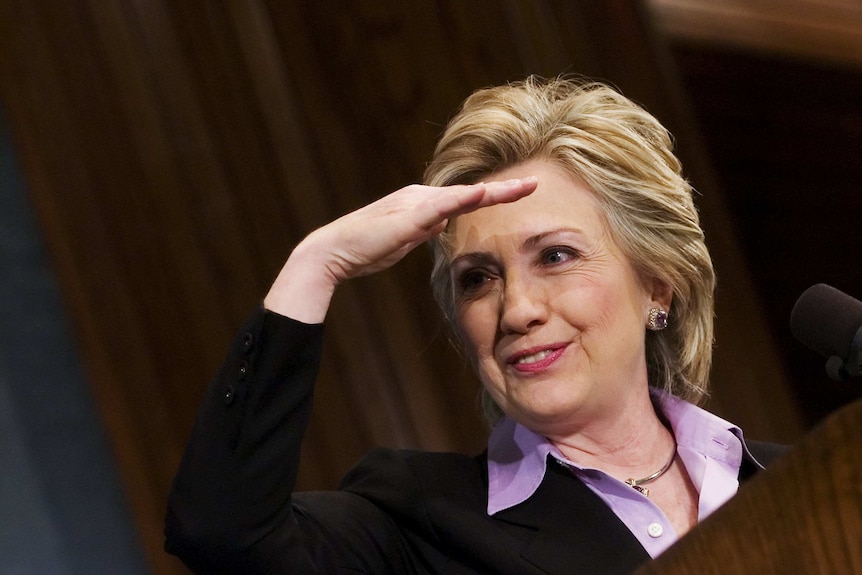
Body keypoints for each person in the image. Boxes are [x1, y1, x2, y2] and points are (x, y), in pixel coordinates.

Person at [164, 76, 784, 574]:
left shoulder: (808, 478)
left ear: (657, 283)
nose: (516, 310)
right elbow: (222, 532)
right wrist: (316, 263)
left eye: (555, 256)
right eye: (478, 278)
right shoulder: (422, 525)